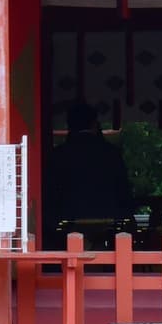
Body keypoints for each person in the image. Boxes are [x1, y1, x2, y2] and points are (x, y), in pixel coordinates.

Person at [44, 101, 136, 249]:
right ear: (94, 124)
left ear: (69, 126)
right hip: (109, 224)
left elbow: (49, 194)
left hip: (67, 224)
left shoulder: (58, 155)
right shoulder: (111, 154)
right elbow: (124, 191)